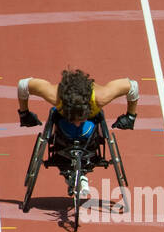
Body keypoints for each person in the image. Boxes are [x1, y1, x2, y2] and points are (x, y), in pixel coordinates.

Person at [16, 69, 138, 199]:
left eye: (80, 120)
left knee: (86, 128)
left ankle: (82, 166)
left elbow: (133, 86)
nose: (77, 124)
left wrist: (130, 116)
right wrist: (24, 113)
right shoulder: (55, 96)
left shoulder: (101, 97)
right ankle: (67, 167)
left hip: (91, 127)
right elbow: (23, 85)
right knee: (64, 126)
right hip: (63, 126)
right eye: (74, 120)